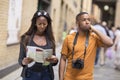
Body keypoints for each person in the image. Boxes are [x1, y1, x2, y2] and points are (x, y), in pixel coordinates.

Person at [59, 12, 113, 80]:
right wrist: (61, 78)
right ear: (77, 22)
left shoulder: (94, 37)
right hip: (69, 78)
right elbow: (63, 59)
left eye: (88, 20)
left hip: (87, 78)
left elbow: (110, 43)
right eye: (84, 20)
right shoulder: (69, 38)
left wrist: (94, 29)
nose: (87, 22)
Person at [18, 10, 58, 80]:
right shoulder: (26, 38)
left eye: (44, 24)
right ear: (35, 23)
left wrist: (55, 60)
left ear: (48, 24)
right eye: (39, 24)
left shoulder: (50, 40)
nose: (42, 26)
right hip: (30, 74)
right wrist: (23, 62)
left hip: (47, 74)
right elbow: (20, 59)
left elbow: (53, 60)